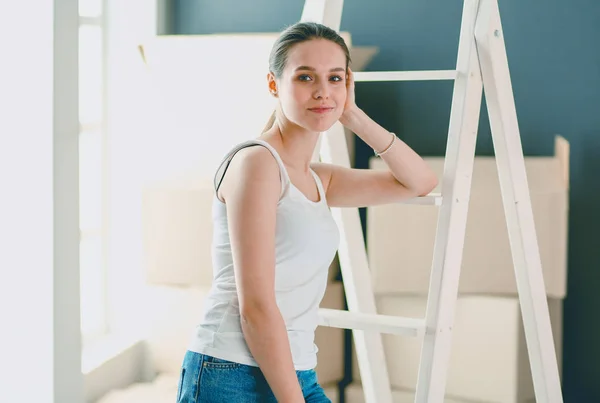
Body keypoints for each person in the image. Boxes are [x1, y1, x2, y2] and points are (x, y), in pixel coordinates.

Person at [176, 21, 438, 403]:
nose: (321, 92)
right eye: (304, 77)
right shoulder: (258, 164)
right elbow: (256, 307)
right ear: (273, 85)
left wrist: (352, 115)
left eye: (334, 78)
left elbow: (420, 181)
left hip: (295, 369)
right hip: (230, 372)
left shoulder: (318, 179)